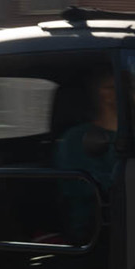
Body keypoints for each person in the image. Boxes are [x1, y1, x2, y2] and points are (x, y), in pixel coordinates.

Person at [53, 68, 120, 244]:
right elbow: (88, 188)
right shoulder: (76, 139)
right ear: (104, 94)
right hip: (96, 229)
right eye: (114, 87)